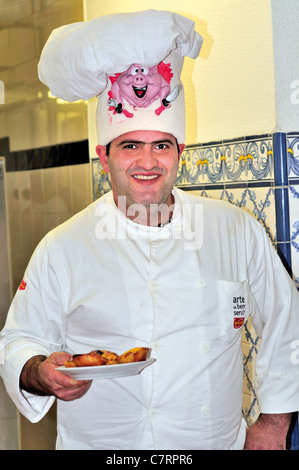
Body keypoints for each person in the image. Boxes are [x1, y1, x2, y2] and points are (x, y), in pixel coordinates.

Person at [1, 10, 299, 451]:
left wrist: (274, 424)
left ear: (179, 152)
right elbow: (19, 340)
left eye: (161, 145)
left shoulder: (235, 230)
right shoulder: (62, 246)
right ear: (105, 156)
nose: (147, 162)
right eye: (130, 146)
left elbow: (285, 320)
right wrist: (39, 371)